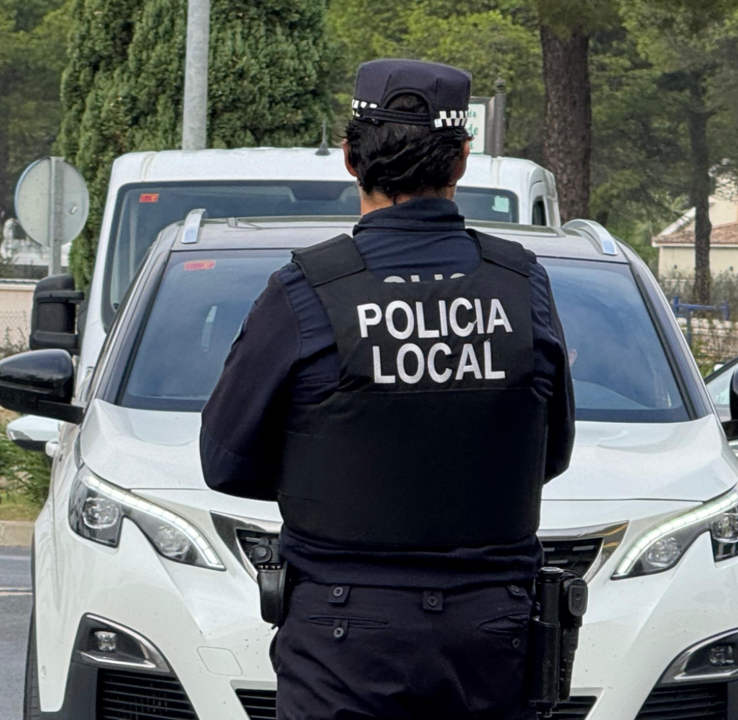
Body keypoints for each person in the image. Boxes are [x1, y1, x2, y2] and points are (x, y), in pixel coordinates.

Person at [200, 58, 575, 720]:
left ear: (350, 158)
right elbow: (552, 451)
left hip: (343, 636)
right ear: (462, 159)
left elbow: (225, 460)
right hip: (491, 634)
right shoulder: (522, 285)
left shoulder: (305, 291)